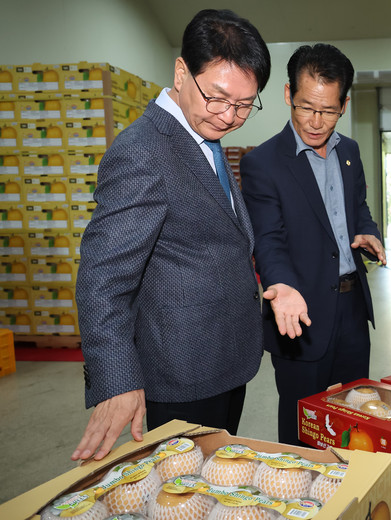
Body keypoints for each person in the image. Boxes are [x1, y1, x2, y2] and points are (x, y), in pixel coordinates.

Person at [72, 9, 273, 461]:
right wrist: (118, 379)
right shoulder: (142, 152)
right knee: (184, 488)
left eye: (245, 105)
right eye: (218, 98)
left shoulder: (202, 138)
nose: (229, 116)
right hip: (181, 373)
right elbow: (103, 280)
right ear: (181, 73)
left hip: (223, 359)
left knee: (217, 477)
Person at [240, 44, 385, 445]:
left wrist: (368, 231)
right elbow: (268, 238)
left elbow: (358, 207)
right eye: (306, 107)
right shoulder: (263, 163)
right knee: (302, 427)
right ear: (289, 94)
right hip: (299, 313)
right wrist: (281, 285)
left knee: (358, 419)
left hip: (352, 308)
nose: (316, 122)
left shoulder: (349, 151)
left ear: (344, 105)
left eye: (329, 111)